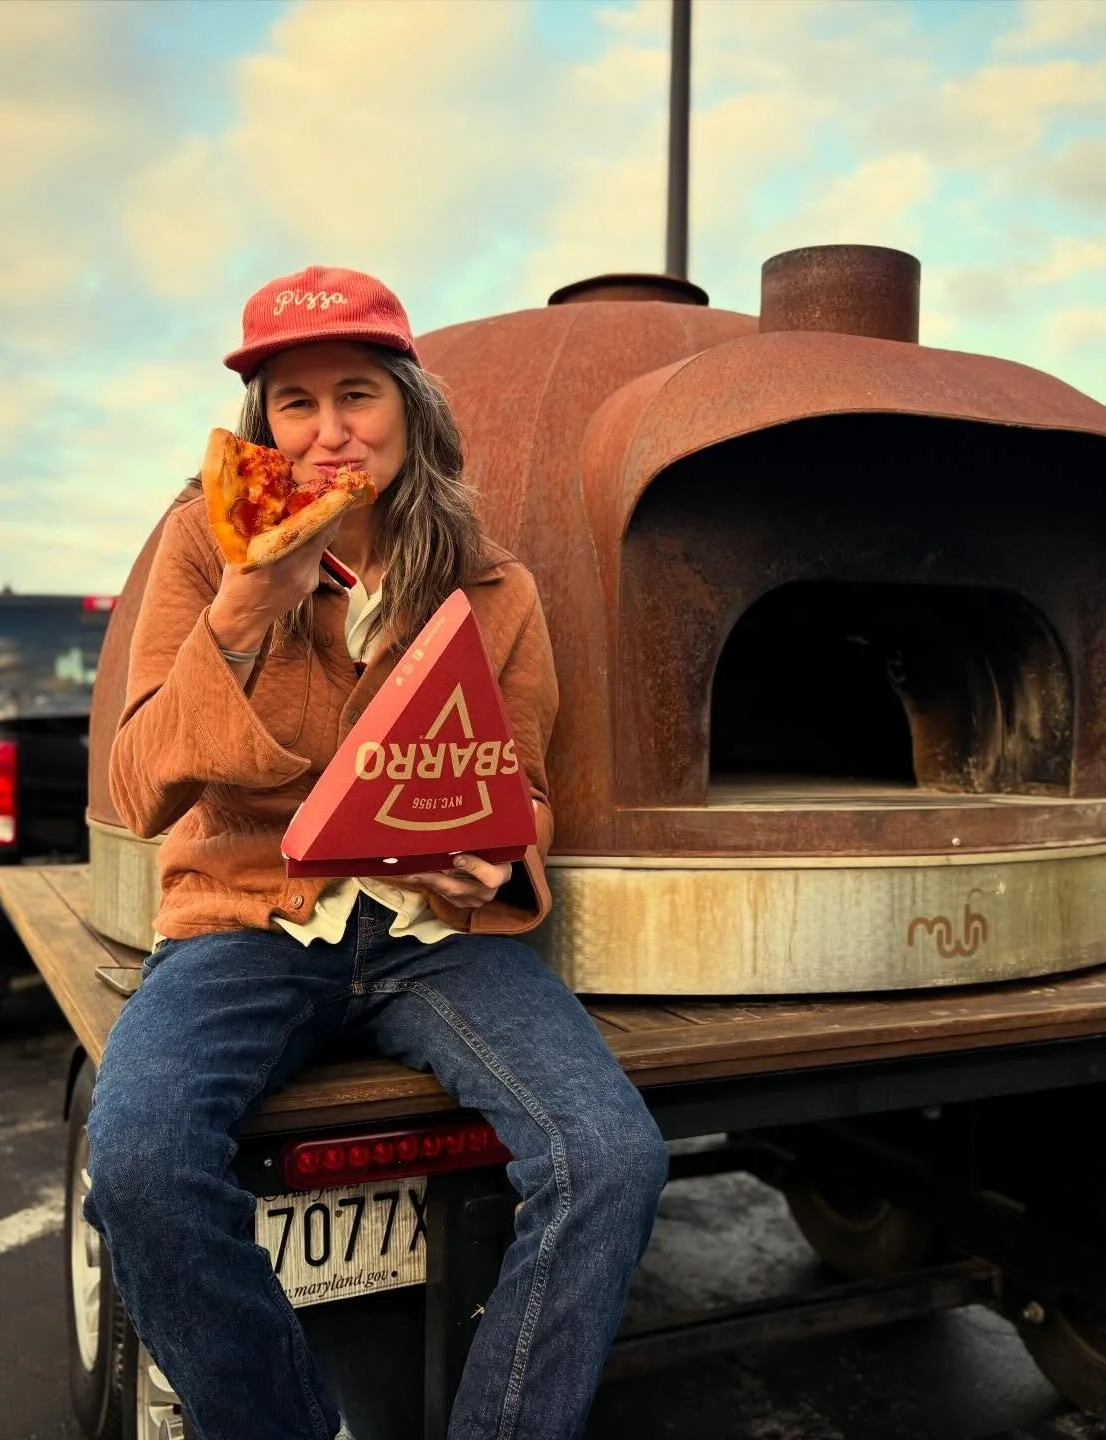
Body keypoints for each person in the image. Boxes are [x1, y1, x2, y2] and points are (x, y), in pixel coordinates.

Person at [84, 266, 670, 1440]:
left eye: (357, 393)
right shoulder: (205, 549)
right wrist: (249, 608)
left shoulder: (495, 586)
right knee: (140, 1167)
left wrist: (495, 861)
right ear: (263, 428)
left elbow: (527, 793)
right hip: (246, 924)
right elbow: (140, 782)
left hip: (431, 940)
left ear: (411, 406)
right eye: (294, 406)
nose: (330, 432)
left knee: (612, 1160)